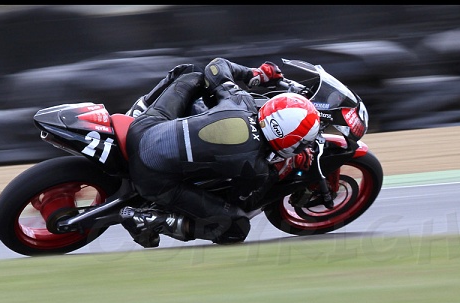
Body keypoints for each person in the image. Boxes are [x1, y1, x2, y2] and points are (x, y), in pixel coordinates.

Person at [119, 57, 321, 248]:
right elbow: (241, 201)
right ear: (291, 143)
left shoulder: (240, 101)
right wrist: (286, 167)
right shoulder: (257, 169)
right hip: (151, 178)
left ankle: (141, 108)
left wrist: (255, 74)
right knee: (235, 227)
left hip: (142, 129)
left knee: (192, 74)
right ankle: (151, 220)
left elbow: (215, 67)